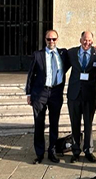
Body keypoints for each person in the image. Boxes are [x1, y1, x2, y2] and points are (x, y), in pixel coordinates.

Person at [25, 29, 69, 164]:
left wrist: (94, 48)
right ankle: (39, 153)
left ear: (57, 39)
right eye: (49, 39)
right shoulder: (38, 55)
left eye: (54, 39)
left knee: (54, 123)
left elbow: (78, 53)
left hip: (56, 92)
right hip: (40, 93)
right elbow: (31, 74)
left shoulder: (63, 53)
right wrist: (28, 93)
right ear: (45, 40)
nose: (51, 41)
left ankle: (52, 151)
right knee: (39, 123)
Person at [66, 31, 96, 163]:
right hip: (74, 94)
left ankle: (89, 150)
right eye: (85, 40)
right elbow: (62, 68)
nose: (87, 43)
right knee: (74, 123)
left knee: (88, 124)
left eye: (89, 41)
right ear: (80, 39)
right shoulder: (71, 53)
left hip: (89, 95)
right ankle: (75, 150)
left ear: (92, 41)